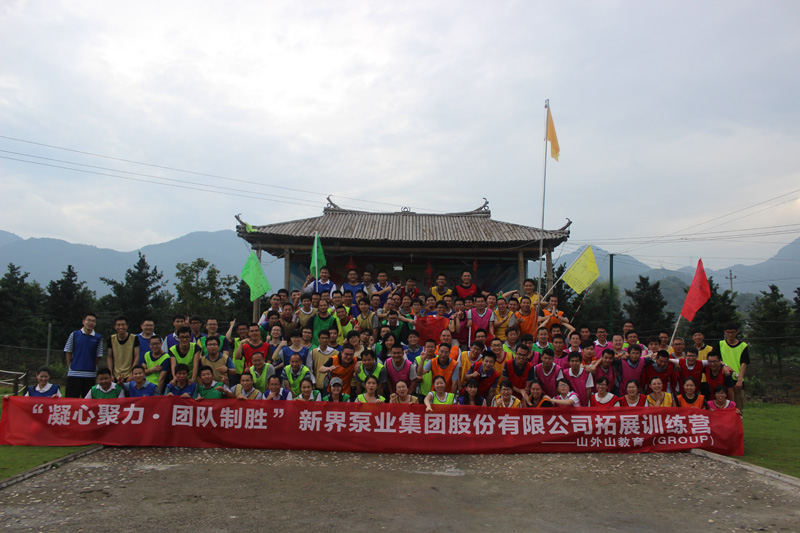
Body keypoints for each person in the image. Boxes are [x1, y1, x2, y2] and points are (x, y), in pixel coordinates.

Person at [711, 322, 750, 411]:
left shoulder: (743, 346)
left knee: (737, 406)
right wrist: (724, 365)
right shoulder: (720, 344)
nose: (730, 334)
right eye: (728, 332)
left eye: (733, 332)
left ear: (736, 332)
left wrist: (740, 380)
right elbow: (715, 358)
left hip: (736, 379)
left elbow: (744, 363)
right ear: (725, 332)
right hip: (723, 378)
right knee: (721, 406)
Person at [64, 313, 104, 398]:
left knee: (88, 401)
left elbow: (99, 356)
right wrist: (70, 366)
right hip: (74, 373)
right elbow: (68, 351)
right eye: (88, 320)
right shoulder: (74, 334)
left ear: (95, 323)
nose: (90, 323)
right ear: (83, 321)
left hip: (90, 375)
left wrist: (91, 365)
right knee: (71, 400)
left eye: (93, 321)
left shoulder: (98, 338)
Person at [107, 315, 137, 384]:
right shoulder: (111, 339)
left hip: (129, 374)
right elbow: (109, 357)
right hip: (115, 374)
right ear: (115, 327)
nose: (121, 327)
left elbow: (136, 356)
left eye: (123, 325)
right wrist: (110, 374)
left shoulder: (134, 338)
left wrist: (132, 374)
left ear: (127, 326)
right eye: (118, 325)